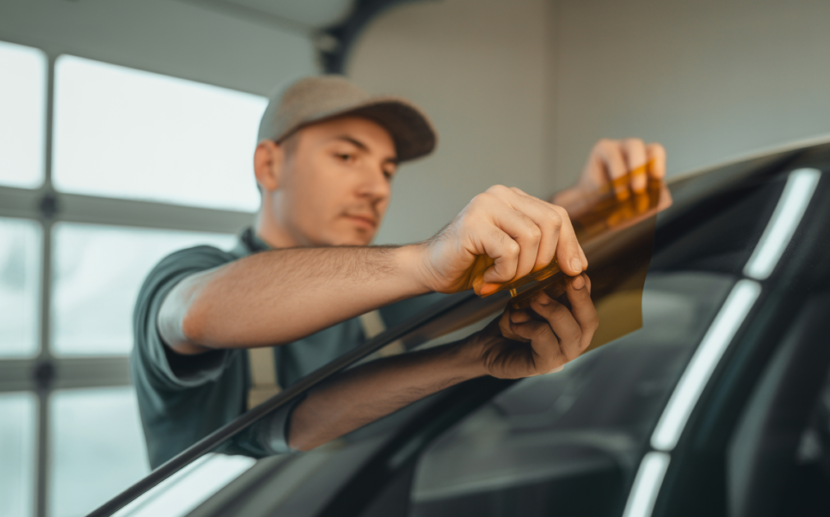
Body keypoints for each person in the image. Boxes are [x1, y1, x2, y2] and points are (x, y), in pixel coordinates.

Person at [131, 75, 666, 468]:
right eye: (347, 157)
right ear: (269, 165)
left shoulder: (386, 306)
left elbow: (499, 277)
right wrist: (422, 261)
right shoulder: (192, 272)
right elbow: (197, 314)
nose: (377, 187)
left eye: (387, 169)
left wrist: (586, 207)